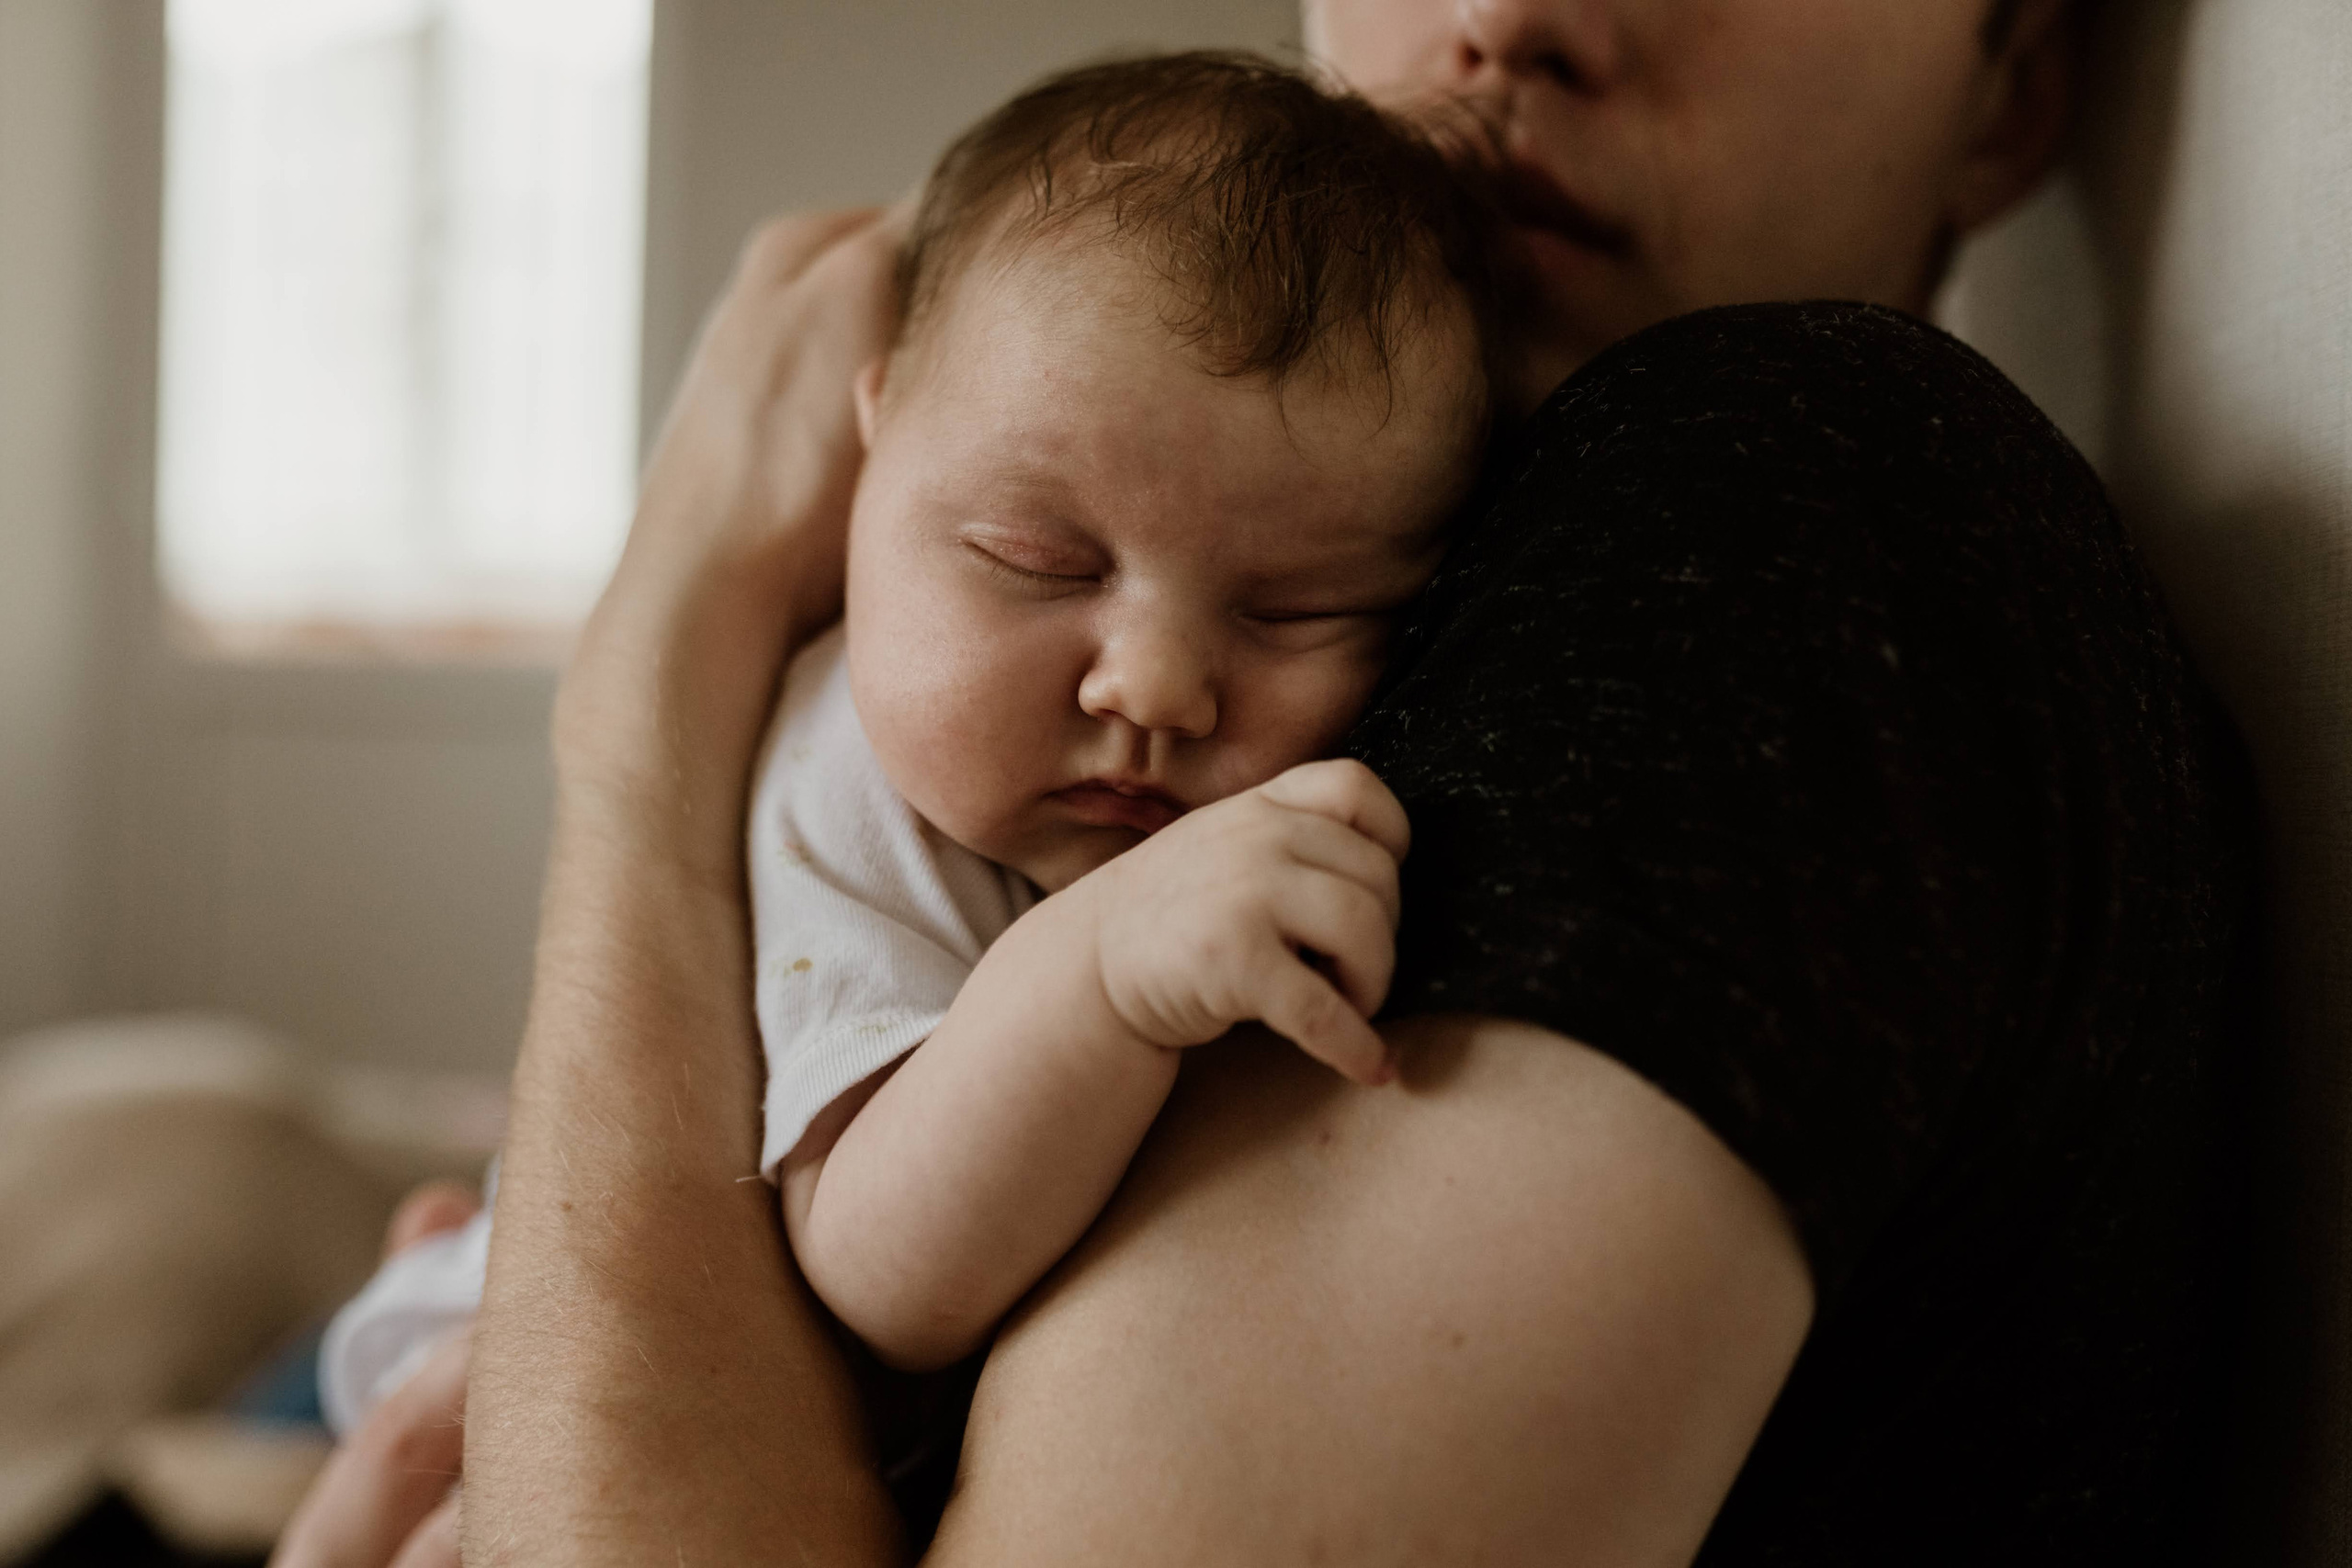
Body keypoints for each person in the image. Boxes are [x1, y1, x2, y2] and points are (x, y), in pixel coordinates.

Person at [274, 1, 2256, 1564]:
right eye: (1042, 562)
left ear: (2007, 91)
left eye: (1304, 599)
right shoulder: (1453, 602)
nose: (1505, 18)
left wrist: (646, 688)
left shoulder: (1773, 506)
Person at [315, 51, 1497, 1427]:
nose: (1158, 687)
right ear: (871, 456)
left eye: (1300, 610)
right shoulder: (855, 777)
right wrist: (1102, 975)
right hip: (526, 1390)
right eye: (1039, 560)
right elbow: (883, 1270)